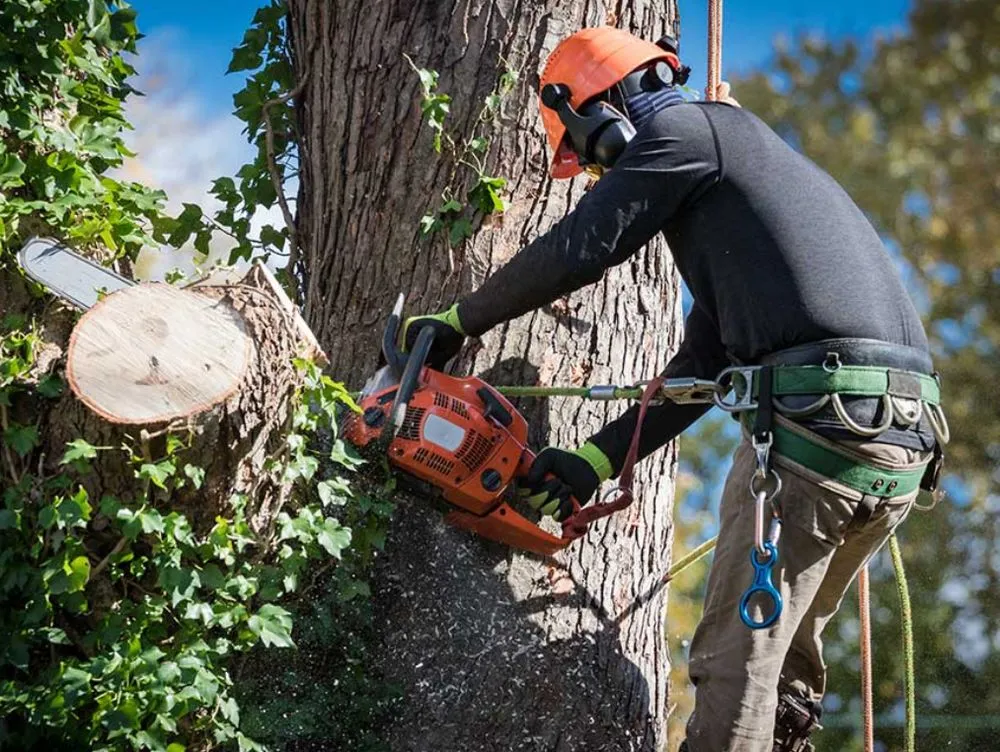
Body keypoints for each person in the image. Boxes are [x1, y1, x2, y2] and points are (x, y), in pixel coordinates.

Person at [402, 26, 945, 752]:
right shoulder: (738, 176)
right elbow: (704, 367)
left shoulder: (690, 130)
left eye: (590, 158)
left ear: (605, 113)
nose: (599, 178)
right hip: (897, 443)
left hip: (820, 432)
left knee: (732, 668)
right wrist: (592, 462)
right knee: (780, 673)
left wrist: (457, 320)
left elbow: (582, 249)